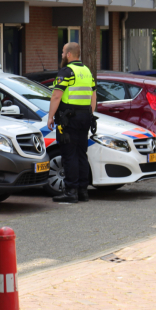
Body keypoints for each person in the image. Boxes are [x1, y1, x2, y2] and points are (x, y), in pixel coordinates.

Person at [47, 42, 97, 204]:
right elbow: (93, 96)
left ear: (69, 54)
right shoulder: (87, 71)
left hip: (69, 119)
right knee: (82, 154)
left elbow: (56, 96)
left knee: (69, 155)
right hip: (85, 118)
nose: (61, 55)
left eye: (62, 53)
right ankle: (83, 191)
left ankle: (71, 192)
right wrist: (90, 114)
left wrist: (50, 117)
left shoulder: (67, 71)